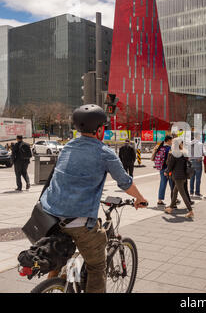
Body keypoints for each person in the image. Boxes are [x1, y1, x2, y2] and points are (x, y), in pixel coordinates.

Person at [40, 104, 148, 293]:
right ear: (99, 130)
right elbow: (125, 182)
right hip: (77, 220)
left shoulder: (67, 147)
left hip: (50, 215)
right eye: (103, 128)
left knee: (63, 253)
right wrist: (139, 198)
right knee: (97, 265)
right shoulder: (104, 153)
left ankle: (57, 283)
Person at [164, 138, 194, 218]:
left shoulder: (174, 153)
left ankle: (190, 211)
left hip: (177, 177)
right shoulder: (184, 153)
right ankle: (170, 208)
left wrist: (166, 172)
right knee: (174, 192)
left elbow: (170, 165)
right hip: (183, 176)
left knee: (183, 194)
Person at [154, 135, 174, 206]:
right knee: (172, 184)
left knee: (162, 183)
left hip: (162, 168)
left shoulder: (160, 147)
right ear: (168, 140)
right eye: (171, 140)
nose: (172, 142)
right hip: (168, 169)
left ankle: (159, 200)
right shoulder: (169, 149)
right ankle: (174, 199)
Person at [189, 133, 203, 198]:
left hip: (191, 162)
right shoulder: (200, 144)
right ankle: (197, 192)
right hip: (197, 161)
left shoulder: (189, 143)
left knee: (191, 178)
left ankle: (191, 192)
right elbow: (201, 153)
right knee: (198, 178)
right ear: (198, 136)